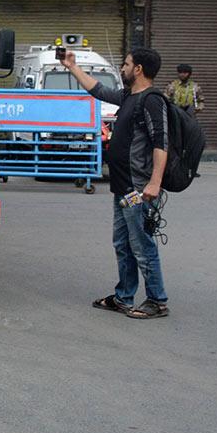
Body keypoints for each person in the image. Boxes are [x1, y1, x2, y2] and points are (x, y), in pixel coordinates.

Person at [58, 46, 170, 319]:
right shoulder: (129, 96)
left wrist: (154, 183)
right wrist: (72, 67)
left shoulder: (152, 100)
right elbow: (98, 90)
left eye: (126, 64)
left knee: (141, 245)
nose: (123, 68)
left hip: (137, 188)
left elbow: (161, 143)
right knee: (122, 244)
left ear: (138, 69)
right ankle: (123, 297)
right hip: (122, 187)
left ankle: (157, 300)